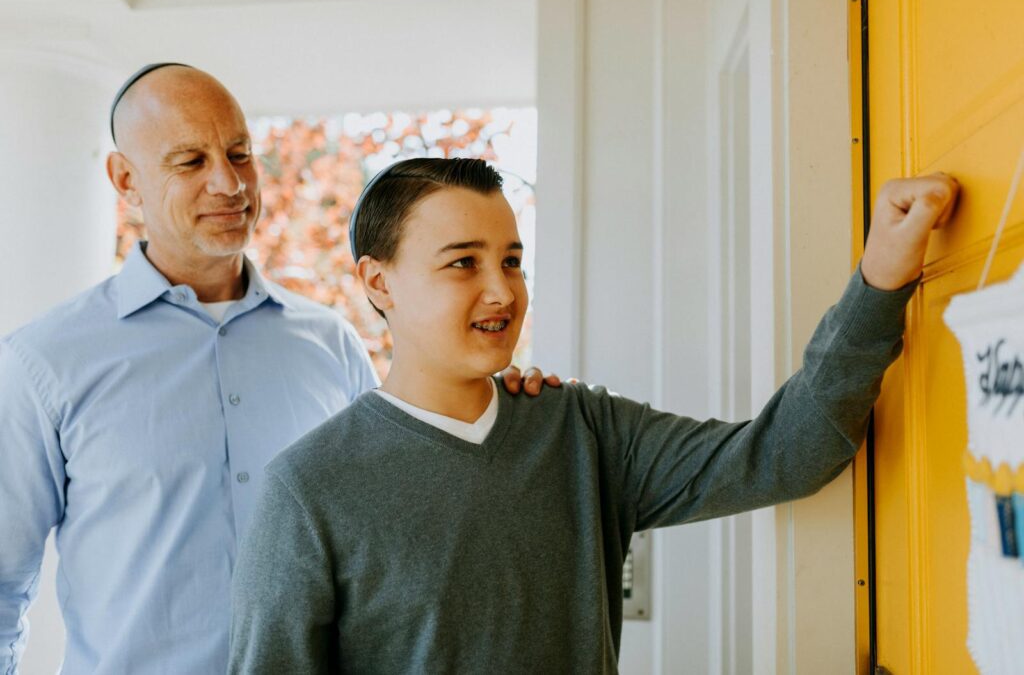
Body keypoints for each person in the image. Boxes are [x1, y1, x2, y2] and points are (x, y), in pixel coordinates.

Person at [228, 158, 959, 673]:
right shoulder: (309, 489)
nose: (501, 291)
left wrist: (880, 279)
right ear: (377, 281)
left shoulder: (581, 429)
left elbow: (786, 454)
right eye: (463, 262)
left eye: (511, 260)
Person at [0, 65, 555, 674]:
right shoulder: (44, 362)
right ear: (125, 179)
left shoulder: (331, 345)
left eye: (240, 154)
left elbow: (399, 532)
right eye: (190, 162)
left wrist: (507, 410)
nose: (229, 183)